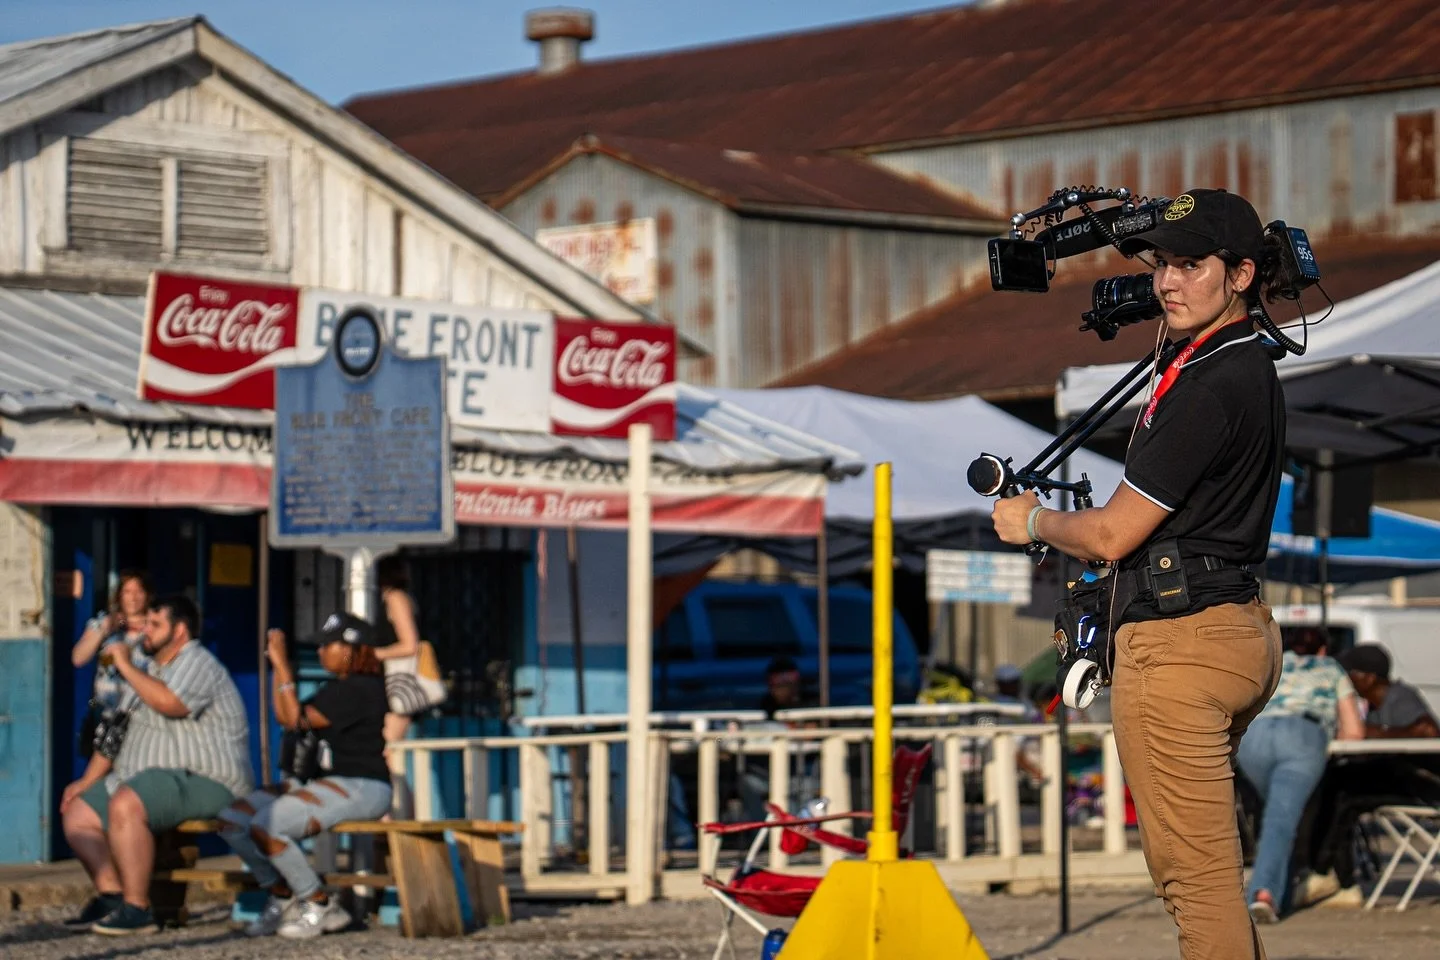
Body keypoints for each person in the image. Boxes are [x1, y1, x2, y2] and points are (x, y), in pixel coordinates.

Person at [993, 188, 1286, 959]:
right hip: (1240, 629)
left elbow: (1114, 533)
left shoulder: (1207, 386)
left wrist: (1033, 521)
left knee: (1197, 888)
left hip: (1181, 647)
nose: (1167, 282)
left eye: (1192, 265)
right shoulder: (1244, 361)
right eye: (1161, 264)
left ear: (1242, 272)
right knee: (1211, 879)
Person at [59, 594, 252, 936]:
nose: (145, 631)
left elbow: (171, 703)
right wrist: (85, 782)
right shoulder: (149, 670)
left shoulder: (198, 662)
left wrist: (127, 667)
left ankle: (138, 908)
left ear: (179, 631)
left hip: (208, 779)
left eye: (155, 624)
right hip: (149, 778)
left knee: (127, 802)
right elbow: (115, 733)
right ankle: (111, 895)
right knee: (78, 813)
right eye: (145, 623)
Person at [219, 613, 393, 939]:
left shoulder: (361, 688)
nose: (322, 652)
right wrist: (277, 667)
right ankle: (282, 895)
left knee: (268, 824)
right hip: (325, 781)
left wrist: (283, 664)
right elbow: (287, 715)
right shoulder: (337, 688)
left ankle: (320, 902)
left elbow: (296, 719)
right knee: (233, 820)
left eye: (329, 645)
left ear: (352, 649)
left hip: (363, 785)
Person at [1237, 627, 1365, 922]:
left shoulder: (1271, 663)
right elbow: (1354, 731)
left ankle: (1280, 890)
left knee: (1276, 816)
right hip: (1302, 735)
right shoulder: (1329, 668)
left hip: (1254, 737)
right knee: (1281, 819)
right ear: (1322, 649)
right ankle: (1264, 894)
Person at [1300, 643, 1440, 908]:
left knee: (1345, 794)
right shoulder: (1375, 705)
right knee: (1338, 784)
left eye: (1349, 673)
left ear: (1368, 677)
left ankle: (1330, 876)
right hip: (1404, 781)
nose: (1344, 679)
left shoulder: (1399, 695)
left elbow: (1428, 730)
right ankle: (1333, 876)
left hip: (1426, 786)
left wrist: (1376, 732)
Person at [72, 571, 152, 759]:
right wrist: (104, 629)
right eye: (127, 592)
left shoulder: (156, 626)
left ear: (148, 595)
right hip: (107, 713)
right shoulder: (103, 623)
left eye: (139, 591)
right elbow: (78, 658)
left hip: (142, 717)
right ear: (119, 596)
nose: (133, 598)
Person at [372, 554, 424, 745]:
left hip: (396, 684)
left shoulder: (396, 598)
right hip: (387, 682)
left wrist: (373, 654)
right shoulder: (389, 597)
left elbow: (410, 645)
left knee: (388, 745)